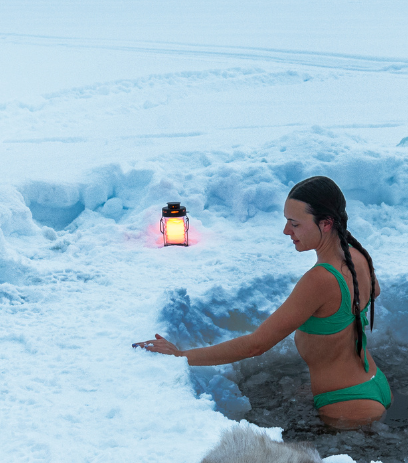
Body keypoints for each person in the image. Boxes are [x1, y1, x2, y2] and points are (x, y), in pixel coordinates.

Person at [136, 176, 391, 428]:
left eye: (295, 224)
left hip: (346, 404)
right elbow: (373, 291)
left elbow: (255, 346)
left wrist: (180, 355)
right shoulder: (357, 255)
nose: (286, 231)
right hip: (371, 381)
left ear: (325, 224)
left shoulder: (320, 280)